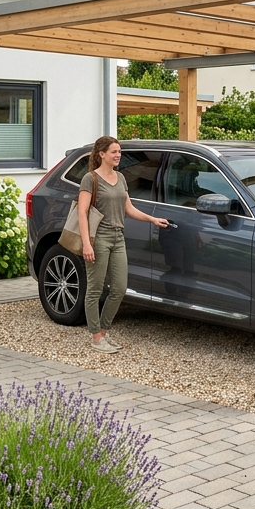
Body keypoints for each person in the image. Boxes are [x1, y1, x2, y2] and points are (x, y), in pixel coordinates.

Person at [79, 136, 168, 353]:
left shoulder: (120, 177)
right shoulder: (90, 179)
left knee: (119, 288)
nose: (118, 155)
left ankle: (104, 331)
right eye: (114, 152)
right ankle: (96, 337)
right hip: (98, 238)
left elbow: (129, 209)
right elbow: (82, 213)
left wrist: (152, 219)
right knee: (95, 289)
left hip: (118, 238)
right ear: (101, 154)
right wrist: (86, 244)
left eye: (119, 152)